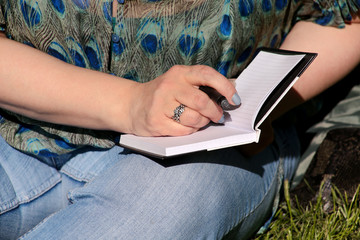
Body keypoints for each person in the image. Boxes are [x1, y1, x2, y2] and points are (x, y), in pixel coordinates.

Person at [0, 0, 359, 239]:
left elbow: (347, 16)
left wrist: (248, 104)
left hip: (205, 154)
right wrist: (129, 102)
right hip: (17, 133)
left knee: (158, 213)